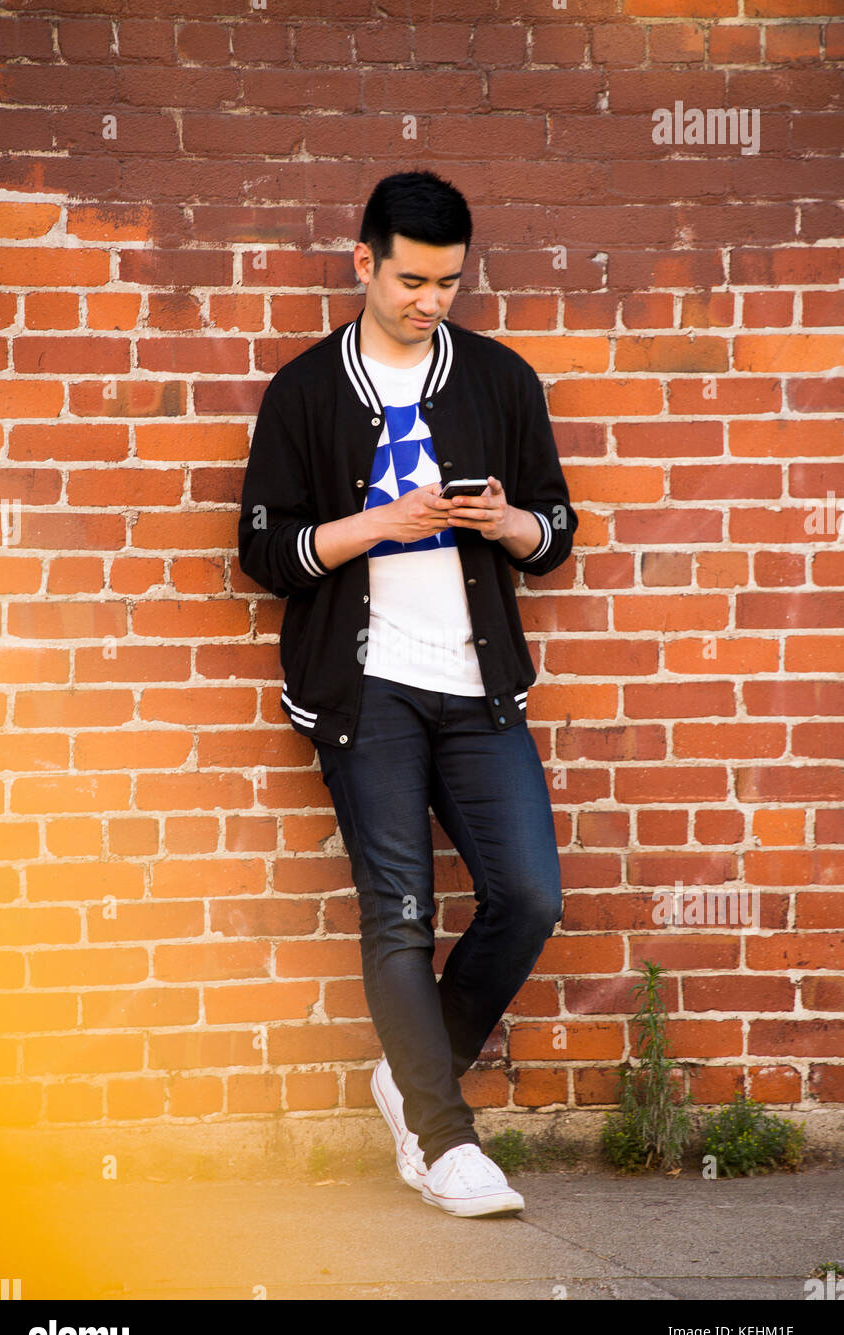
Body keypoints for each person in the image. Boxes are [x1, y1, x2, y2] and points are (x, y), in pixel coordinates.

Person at [238, 169, 578, 1218]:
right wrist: (380, 525)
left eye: (448, 283)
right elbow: (266, 551)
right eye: (411, 280)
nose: (430, 301)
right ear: (363, 264)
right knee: (398, 911)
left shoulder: (496, 379)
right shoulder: (304, 390)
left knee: (527, 897)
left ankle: (408, 1075)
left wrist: (506, 523)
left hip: (476, 686)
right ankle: (443, 1140)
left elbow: (554, 534)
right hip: (365, 689)